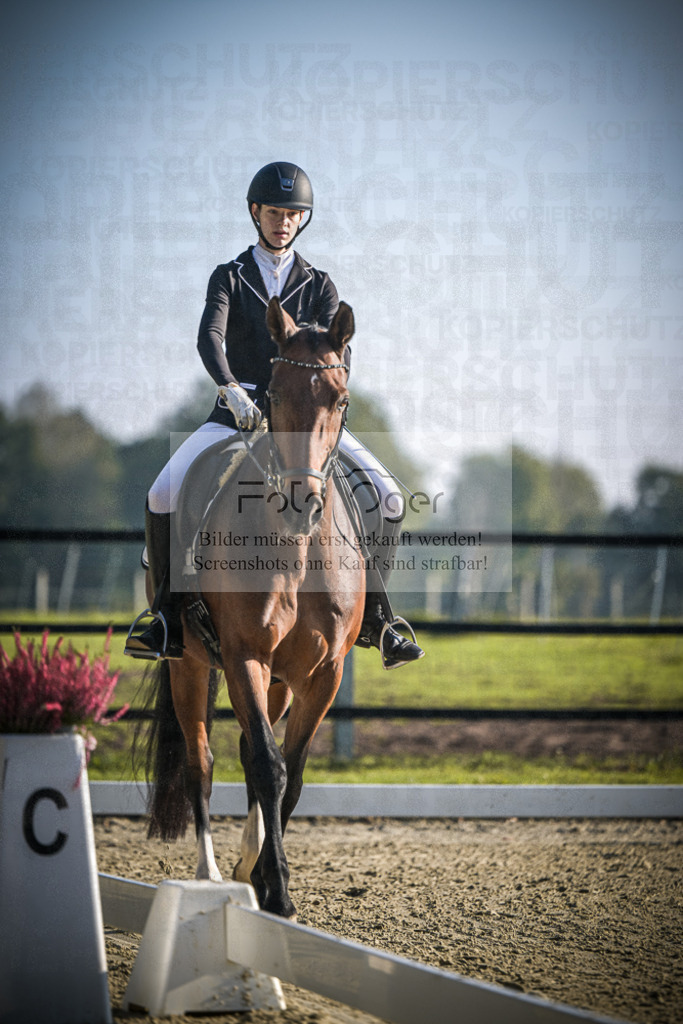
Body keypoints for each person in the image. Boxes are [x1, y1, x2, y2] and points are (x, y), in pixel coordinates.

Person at [125, 161, 425, 669]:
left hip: (306, 421)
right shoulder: (230, 276)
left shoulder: (320, 283)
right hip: (235, 413)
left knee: (391, 497)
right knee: (162, 492)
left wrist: (324, 402)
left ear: (301, 220)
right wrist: (231, 390)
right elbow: (209, 338)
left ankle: (378, 615)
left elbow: (338, 355)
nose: (282, 221)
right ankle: (166, 616)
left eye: (292, 213)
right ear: (255, 213)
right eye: (273, 212)